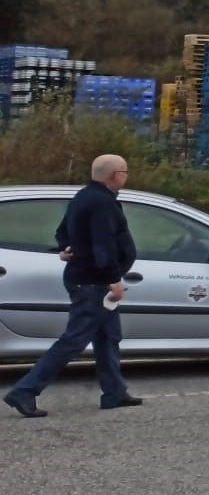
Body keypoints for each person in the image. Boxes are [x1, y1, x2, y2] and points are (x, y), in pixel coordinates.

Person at [4, 155, 140, 418]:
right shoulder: (101, 203)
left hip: (86, 276)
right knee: (74, 340)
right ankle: (25, 391)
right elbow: (104, 244)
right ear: (115, 175)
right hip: (94, 281)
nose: (126, 175)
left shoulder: (85, 196)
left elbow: (63, 231)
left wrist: (66, 247)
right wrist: (114, 281)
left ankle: (114, 392)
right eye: (125, 171)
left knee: (108, 337)